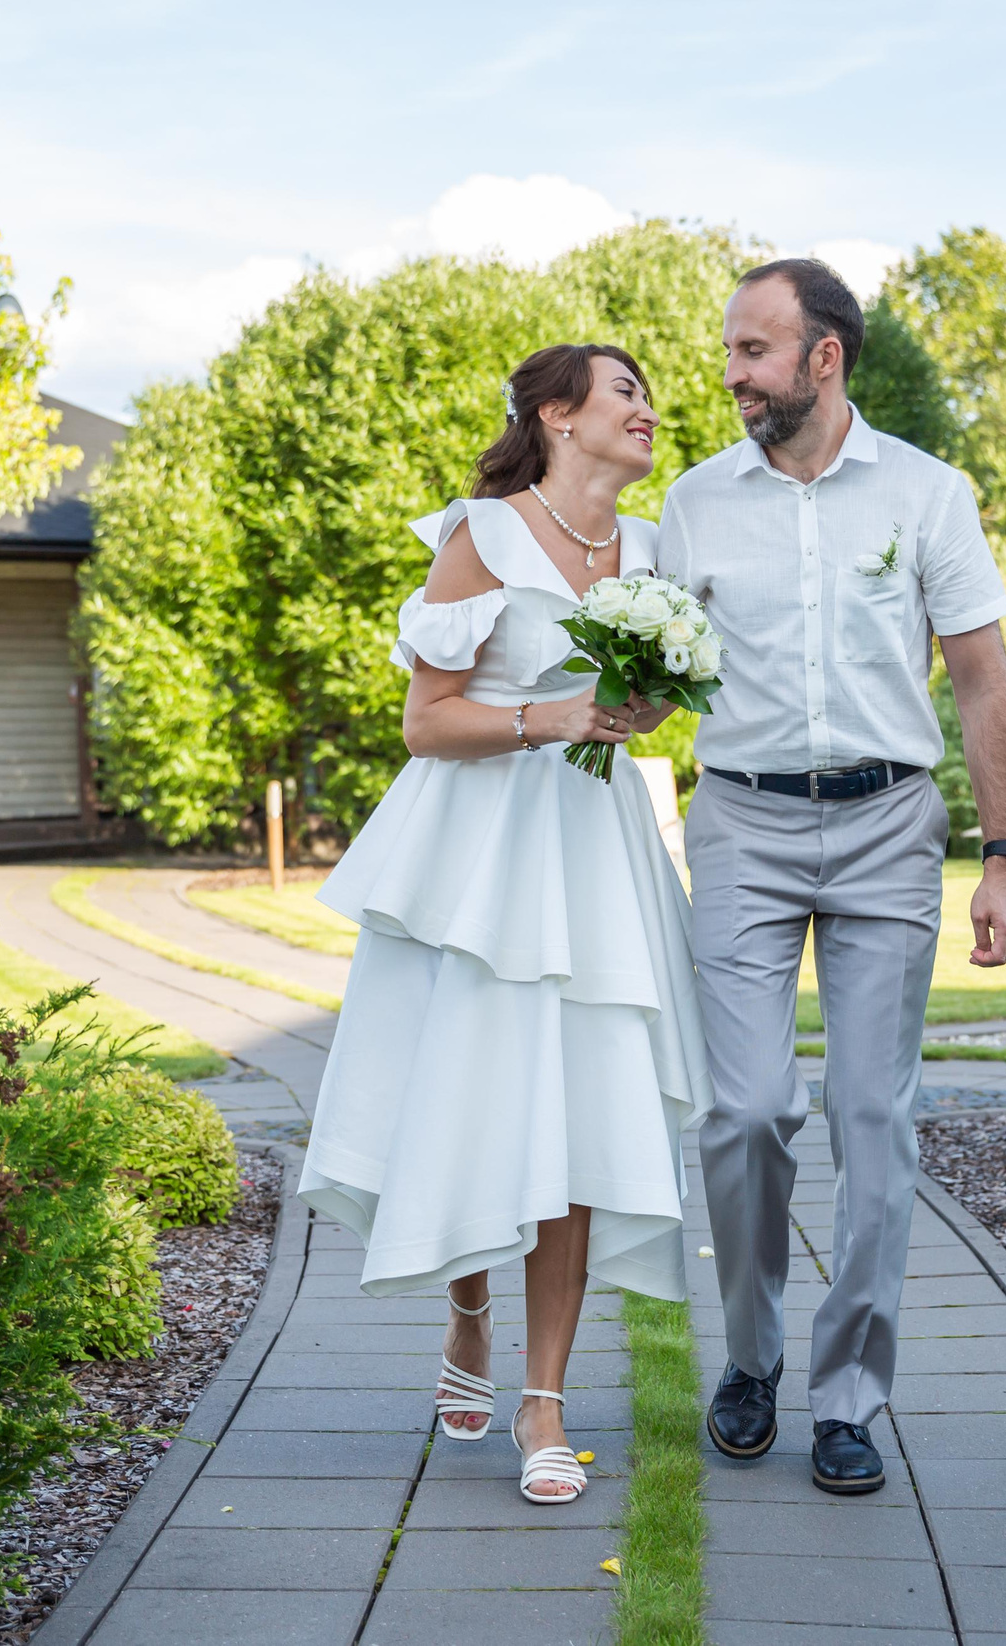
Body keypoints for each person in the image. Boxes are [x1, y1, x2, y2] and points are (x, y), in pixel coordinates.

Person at [299, 343, 710, 1505]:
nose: (646, 410)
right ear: (556, 414)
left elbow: (659, 695)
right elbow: (427, 723)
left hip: (592, 854)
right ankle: (467, 1307)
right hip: (478, 857)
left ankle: (545, 1404)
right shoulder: (481, 534)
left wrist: (643, 703)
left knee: (576, 1116)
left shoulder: (654, 552)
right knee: (476, 1098)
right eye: (623, 391)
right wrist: (554, 714)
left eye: (647, 395)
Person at [659, 259, 1006, 1495]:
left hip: (886, 831)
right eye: (730, 349)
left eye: (754, 351)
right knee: (748, 1110)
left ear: (824, 356)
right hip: (743, 828)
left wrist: (1001, 857)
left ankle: (851, 1396)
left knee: (876, 1121)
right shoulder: (697, 501)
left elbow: (980, 681)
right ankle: (751, 1358)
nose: (731, 374)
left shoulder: (926, 493)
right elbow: (659, 673)